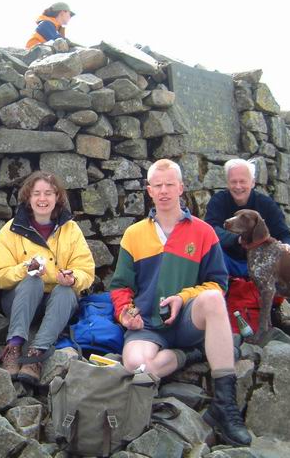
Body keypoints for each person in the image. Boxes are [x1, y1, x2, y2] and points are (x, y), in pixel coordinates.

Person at [109, 159, 251, 447]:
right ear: (149, 190)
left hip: (188, 319)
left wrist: (183, 297)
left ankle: (225, 405)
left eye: (169, 185)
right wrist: (126, 313)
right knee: (138, 369)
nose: (163, 191)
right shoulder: (134, 235)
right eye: (157, 186)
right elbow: (121, 286)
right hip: (148, 325)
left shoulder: (203, 232)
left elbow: (218, 284)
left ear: (181, 188)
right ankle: (191, 355)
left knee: (211, 298)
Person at [0, 171, 95, 384]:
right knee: (32, 280)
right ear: (28, 197)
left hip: (57, 301)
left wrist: (72, 279)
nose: (42, 199)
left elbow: (86, 270)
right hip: (21, 300)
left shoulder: (71, 229)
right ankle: (14, 346)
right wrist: (25, 270)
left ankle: (36, 354)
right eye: (37, 193)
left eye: (48, 193)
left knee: (66, 291)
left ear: (57, 197)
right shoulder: (10, 230)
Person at [205, 158, 290, 277]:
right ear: (227, 183)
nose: (238, 186)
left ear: (253, 182)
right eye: (233, 182)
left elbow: (284, 234)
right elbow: (210, 230)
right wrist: (238, 239)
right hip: (229, 261)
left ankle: (282, 295)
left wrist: (288, 246)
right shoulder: (218, 201)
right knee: (209, 254)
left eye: (242, 181)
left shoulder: (267, 204)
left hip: (262, 263)